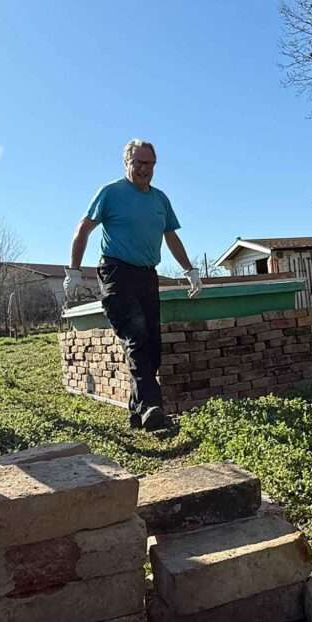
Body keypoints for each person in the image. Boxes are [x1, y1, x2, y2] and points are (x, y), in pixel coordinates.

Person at [64, 139, 201, 432]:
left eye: (149, 163)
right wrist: (73, 271)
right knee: (136, 335)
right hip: (116, 272)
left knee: (153, 344)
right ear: (127, 163)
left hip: (147, 275)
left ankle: (138, 412)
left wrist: (189, 269)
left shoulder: (160, 199)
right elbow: (83, 229)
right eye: (138, 162)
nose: (144, 169)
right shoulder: (111, 193)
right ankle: (154, 407)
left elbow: (171, 237)